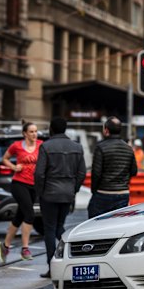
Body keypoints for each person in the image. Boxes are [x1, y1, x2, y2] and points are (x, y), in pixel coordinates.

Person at [35, 117, 86, 278]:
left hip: (49, 193)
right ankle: (75, 255)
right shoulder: (77, 147)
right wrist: (74, 189)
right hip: (67, 192)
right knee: (59, 227)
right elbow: (82, 172)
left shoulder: (46, 146)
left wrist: (40, 192)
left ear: (51, 128)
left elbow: (39, 173)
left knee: (49, 229)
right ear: (65, 129)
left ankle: (53, 267)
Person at [0, 121, 43, 263]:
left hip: (33, 185)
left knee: (19, 217)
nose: (34, 134)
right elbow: (4, 159)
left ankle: (5, 246)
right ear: (24, 133)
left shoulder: (41, 145)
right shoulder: (16, 146)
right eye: (31, 131)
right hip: (19, 184)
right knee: (29, 214)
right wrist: (14, 167)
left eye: (36, 131)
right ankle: (25, 248)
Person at [87, 117, 138, 219]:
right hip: (123, 193)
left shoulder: (101, 147)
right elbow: (134, 171)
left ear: (106, 130)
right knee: (117, 225)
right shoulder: (128, 148)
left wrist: (94, 191)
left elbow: (96, 173)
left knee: (96, 223)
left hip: (103, 193)